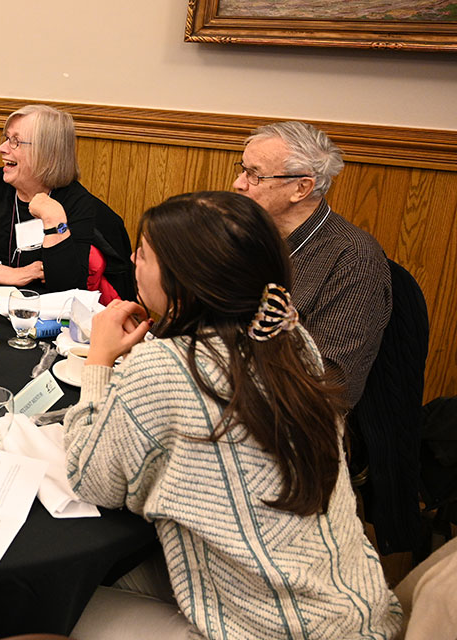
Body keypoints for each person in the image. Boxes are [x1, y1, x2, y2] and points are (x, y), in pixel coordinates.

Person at [63, 191, 401, 639]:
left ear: (183, 278)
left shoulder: (166, 368)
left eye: (142, 253)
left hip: (268, 629)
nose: (131, 259)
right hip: (356, 607)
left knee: (55, 600)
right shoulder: (291, 339)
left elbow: (91, 479)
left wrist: (99, 362)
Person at [233, 121, 390, 409]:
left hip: (295, 427)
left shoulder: (353, 258)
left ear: (300, 188)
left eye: (254, 175)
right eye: (242, 169)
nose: (238, 183)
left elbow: (330, 384)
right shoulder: (247, 236)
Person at [0, 105, 133, 302]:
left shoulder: (76, 202)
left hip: (40, 318)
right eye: (6, 138)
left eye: (16, 142)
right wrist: (3, 273)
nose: (2, 148)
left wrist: (54, 220)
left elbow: (68, 287)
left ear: (48, 154)